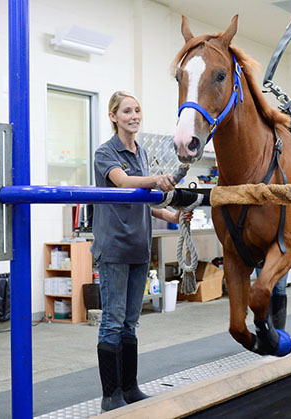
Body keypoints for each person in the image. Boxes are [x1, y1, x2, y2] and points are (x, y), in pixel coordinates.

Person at [91, 91, 192, 412]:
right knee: (112, 320)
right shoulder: (105, 152)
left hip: (138, 245)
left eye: (137, 110)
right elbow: (123, 183)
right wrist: (158, 180)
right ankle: (111, 395)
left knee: (130, 322)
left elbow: (143, 199)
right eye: (127, 111)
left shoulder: (142, 152)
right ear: (113, 116)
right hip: (114, 246)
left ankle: (130, 387)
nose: (134, 116)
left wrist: (172, 215)